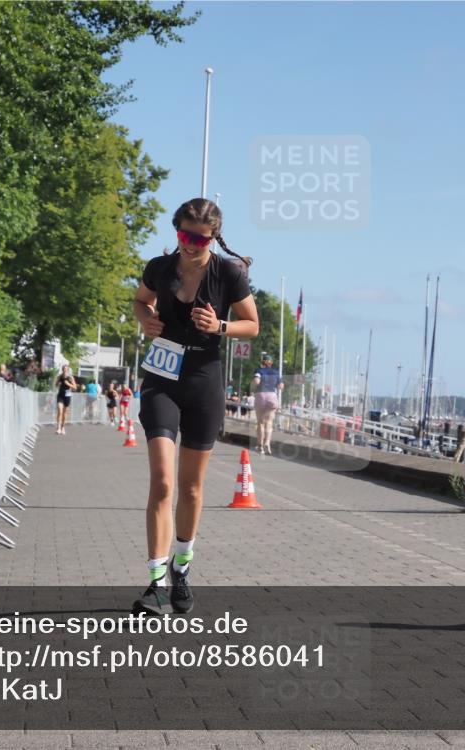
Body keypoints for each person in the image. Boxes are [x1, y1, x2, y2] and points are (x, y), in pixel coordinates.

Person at [132, 197, 258, 616]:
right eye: (184, 235)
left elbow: (253, 325)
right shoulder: (159, 267)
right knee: (164, 482)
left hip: (204, 380)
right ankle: (156, 583)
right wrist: (144, 319)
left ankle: (181, 567)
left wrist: (220, 326)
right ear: (176, 231)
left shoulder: (228, 272)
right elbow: (140, 301)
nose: (190, 244)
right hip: (162, 379)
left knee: (190, 488)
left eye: (200, 238)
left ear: (213, 237)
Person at [252, 352, 283, 455]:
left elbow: (256, 382)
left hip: (261, 395)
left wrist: (254, 386)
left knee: (260, 422)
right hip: (272, 396)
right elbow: (281, 386)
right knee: (269, 422)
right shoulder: (276, 373)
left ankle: (259, 445)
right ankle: (267, 443)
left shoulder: (259, 370)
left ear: (262, 362)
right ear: (271, 363)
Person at [55, 364, 76, 435]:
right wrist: (58, 384)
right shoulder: (59, 377)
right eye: (64, 369)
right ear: (62, 370)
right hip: (60, 395)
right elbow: (56, 385)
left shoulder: (70, 378)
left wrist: (68, 384)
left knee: (64, 413)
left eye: (66, 369)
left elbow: (75, 387)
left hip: (67, 396)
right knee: (60, 411)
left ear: (67, 370)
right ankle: (58, 428)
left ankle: (63, 427)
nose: (65, 370)